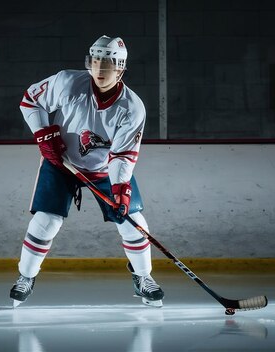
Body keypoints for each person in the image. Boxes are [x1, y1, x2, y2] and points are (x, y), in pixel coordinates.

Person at [10, 35, 164, 308]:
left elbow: (123, 155)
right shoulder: (68, 82)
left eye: (108, 64)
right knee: (46, 222)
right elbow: (30, 100)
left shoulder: (132, 107)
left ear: (121, 68)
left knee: (133, 222)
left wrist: (120, 190)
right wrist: (44, 134)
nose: (100, 70)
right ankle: (26, 277)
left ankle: (143, 278)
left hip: (106, 169)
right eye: (96, 62)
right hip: (62, 163)